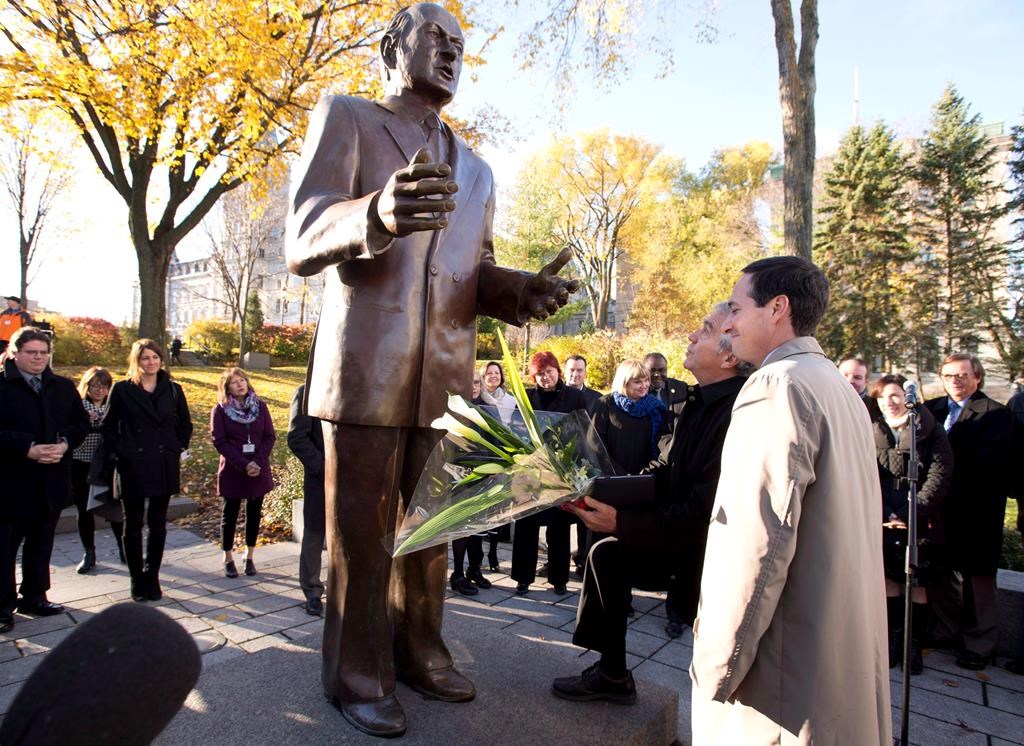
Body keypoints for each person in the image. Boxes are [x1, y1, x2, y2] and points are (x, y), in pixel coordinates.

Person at [284, 3, 578, 736]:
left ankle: (421, 651)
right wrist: (377, 212)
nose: (451, 54)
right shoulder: (347, 117)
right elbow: (303, 231)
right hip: (365, 370)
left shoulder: (476, 168)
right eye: (436, 39)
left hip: (444, 374)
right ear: (392, 46)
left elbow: (469, 269)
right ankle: (358, 675)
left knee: (431, 530)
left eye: (460, 46)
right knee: (361, 538)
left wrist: (518, 291)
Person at [691, 256, 891, 745]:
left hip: (782, 680)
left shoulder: (777, 385)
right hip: (836, 656)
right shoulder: (836, 386)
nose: (729, 323)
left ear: (777, 307)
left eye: (737, 308)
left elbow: (757, 542)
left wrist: (716, 663)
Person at [553, 304, 750, 704]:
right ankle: (611, 672)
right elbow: (666, 466)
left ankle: (614, 672)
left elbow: (703, 506)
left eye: (706, 330)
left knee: (609, 552)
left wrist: (624, 522)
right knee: (604, 555)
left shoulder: (734, 410)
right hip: (676, 527)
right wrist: (595, 491)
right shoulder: (699, 400)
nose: (692, 336)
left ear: (729, 356)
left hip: (705, 550)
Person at [924, 353, 1019, 671]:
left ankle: (981, 644)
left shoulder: (995, 414)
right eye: (949, 375)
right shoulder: (933, 409)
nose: (956, 381)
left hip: (977, 509)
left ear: (977, 378)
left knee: (978, 580)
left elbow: (993, 464)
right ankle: (945, 631)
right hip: (939, 509)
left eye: (963, 375)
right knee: (939, 572)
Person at [0, 327, 89, 633]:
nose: (38, 358)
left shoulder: (62, 387)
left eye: (43, 352)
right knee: (4, 547)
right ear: (15, 353)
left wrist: (64, 444)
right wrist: (27, 448)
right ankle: (2, 606)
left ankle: (35, 596)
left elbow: (81, 423)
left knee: (41, 543)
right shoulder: (2, 385)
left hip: (51, 478)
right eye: (31, 353)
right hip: (10, 482)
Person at [869, 373, 952, 675]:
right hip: (882, 517)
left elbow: (939, 476)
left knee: (916, 585)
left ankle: (912, 644)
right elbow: (866, 475)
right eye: (881, 397)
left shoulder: (931, 431)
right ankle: (892, 641)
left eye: (894, 395)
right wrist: (883, 513)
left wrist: (909, 511)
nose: (888, 402)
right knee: (889, 581)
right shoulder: (869, 430)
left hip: (919, 518)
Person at [102, 339, 193, 603]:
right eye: (145, 358)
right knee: (132, 523)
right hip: (132, 464)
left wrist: (176, 447)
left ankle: (151, 575)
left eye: (155, 357)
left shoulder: (173, 389)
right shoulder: (121, 389)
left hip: (164, 462)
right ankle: (135, 579)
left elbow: (185, 425)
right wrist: (124, 451)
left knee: (157, 522)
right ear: (136, 361)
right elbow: (108, 427)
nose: (150, 362)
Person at [510, 351, 585, 597]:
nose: (545, 377)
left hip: (560, 471)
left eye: (549, 371)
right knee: (526, 524)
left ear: (558, 371)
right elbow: (514, 429)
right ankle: (523, 578)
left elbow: (583, 431)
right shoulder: (526, 397)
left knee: (559, 526)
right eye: (540, 374)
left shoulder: (575, 397)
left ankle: (559, 578)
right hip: (531, 471)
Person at [211, 367, 276, 579]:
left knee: (254, 512)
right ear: (227, 387)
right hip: (233, 469)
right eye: (234, 382)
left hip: (258, 468)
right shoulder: (220, 410)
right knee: (229, 514)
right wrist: (243, 464)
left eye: (242, 380)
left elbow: (269, 437)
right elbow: (219, 441)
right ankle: (228, 557)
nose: (240, 384)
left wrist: (257, 462)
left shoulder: (261, 407)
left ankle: (249, 556)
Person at [71, 366, 124, 573]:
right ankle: (89, 552)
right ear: (87, 386)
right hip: (81, 464)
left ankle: (123, 549)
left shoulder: (113, 406)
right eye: (95, 386)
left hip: (107, 465)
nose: (99, 390)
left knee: (114, 508)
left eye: (104, 387)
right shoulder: (78, 407)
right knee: (84, 510)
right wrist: (87, 423)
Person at [449, 371, 493, 597]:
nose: (473, 386)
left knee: (479, 529)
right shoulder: (455, 411)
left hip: (484, 475)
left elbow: (496, 441)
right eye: (469, 382)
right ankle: (456, 574)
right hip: (460, 476)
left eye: (477, 382)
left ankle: (474, 569)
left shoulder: (489, 410)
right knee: (462, 529)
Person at [287, 384, 326, 616]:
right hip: (320, 479)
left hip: (353, 479)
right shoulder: (307, 391)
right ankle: (312, 591)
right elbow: (297, 437)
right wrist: (323, 467)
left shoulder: (356, 387)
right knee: (314, 534)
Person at [643, 352, 686, 427]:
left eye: (661, 370)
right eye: (652, 370)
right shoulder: (637, 390)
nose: (657, 374)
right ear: (644, 370)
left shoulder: (681, 388)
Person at [480, 360, 518, 424]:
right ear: (483, 377)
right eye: (489, 373)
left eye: (497, 373)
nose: (493, 376)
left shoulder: (512, 401)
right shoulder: (477, 397)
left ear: (501, 376)